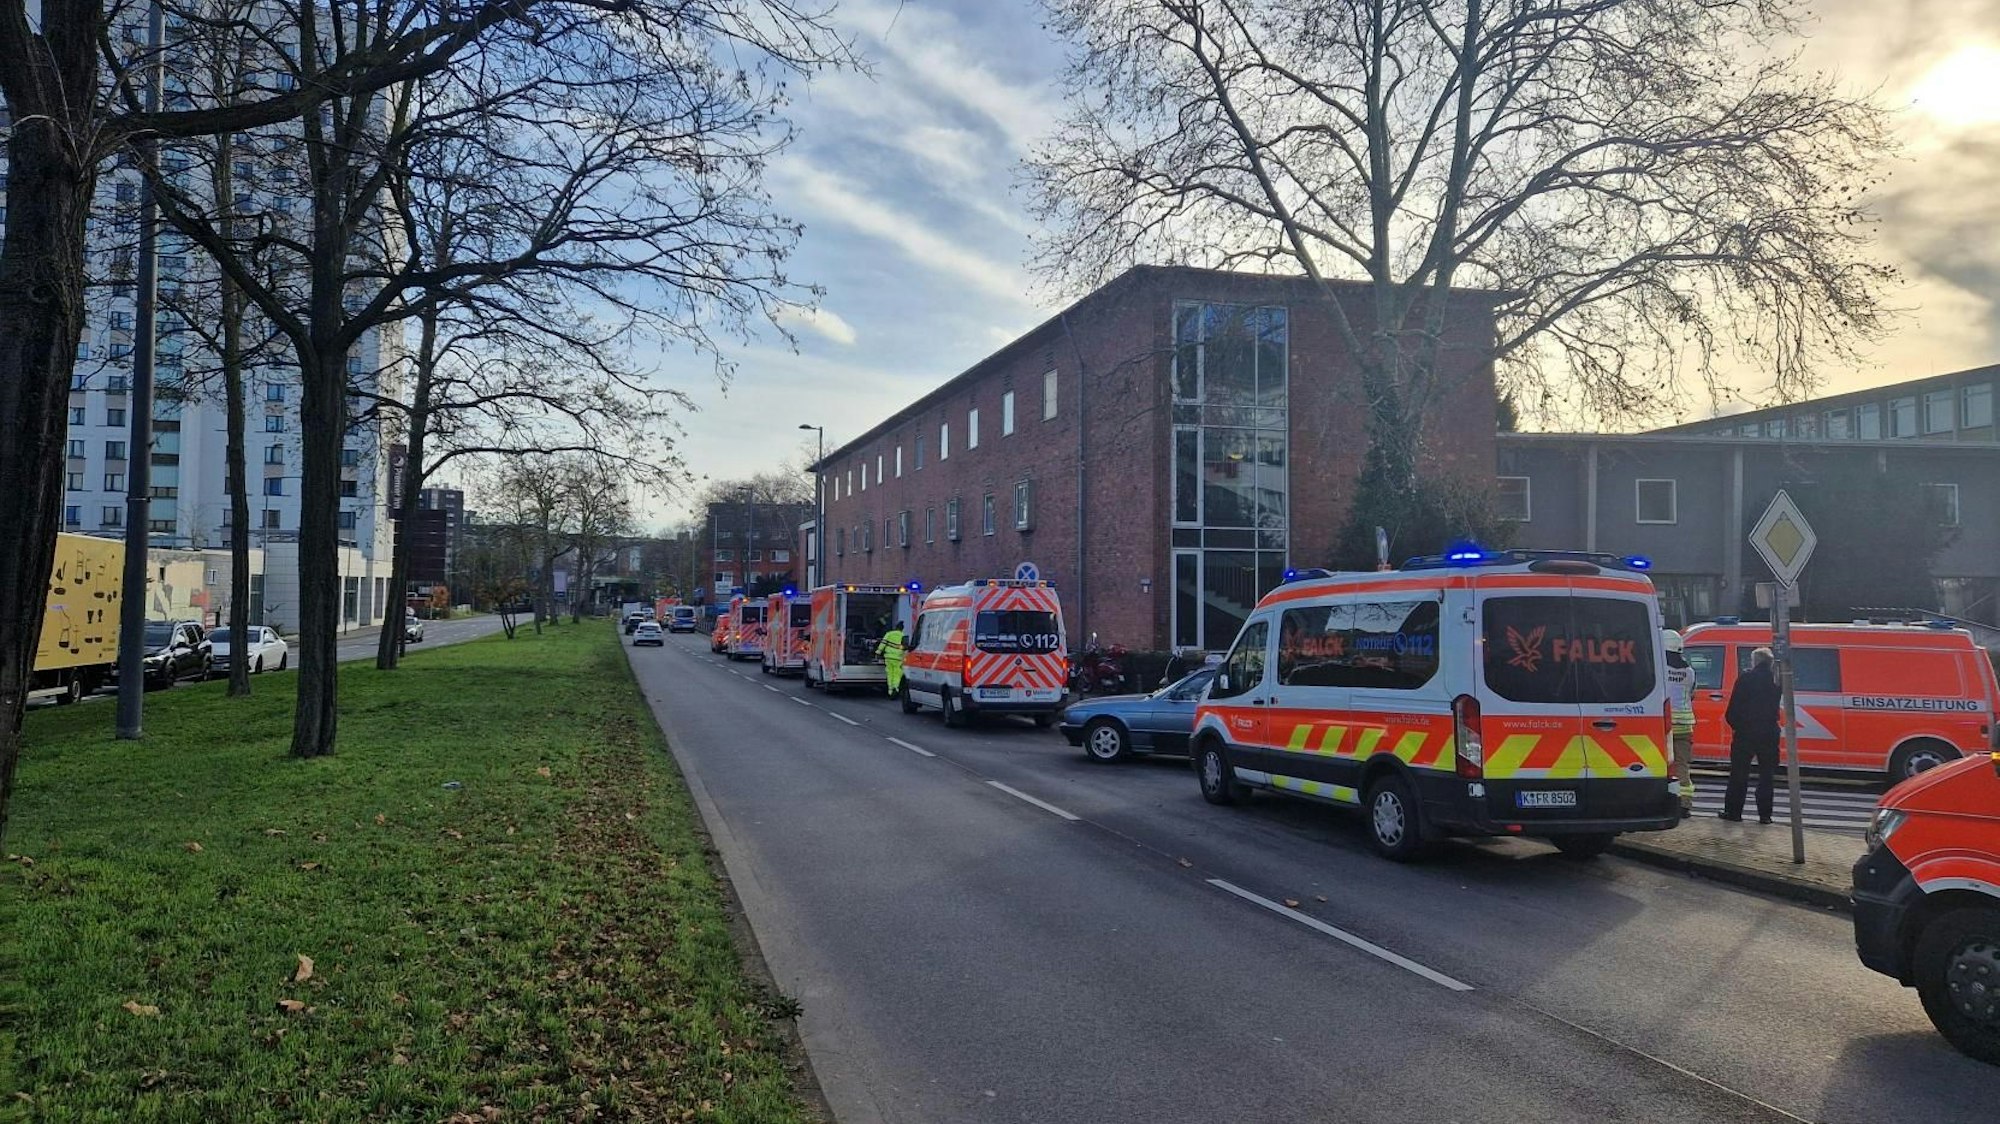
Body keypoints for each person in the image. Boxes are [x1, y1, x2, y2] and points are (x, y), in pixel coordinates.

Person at [1721, 646, 1782, 823]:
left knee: (1739, 774)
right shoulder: (1776, 681)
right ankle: (1765, 816)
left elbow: (1731, 711)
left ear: (1755, 661)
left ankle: (1734, 813)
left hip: (1745, 733)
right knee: (1766, 776)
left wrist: (1738, 727)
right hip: (1770, 733)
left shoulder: (1746, 678)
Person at [1662, 629, 1697, 818]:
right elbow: (1692, 694)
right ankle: (1684, 805)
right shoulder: (1689, 671)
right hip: (1685, 725)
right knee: (1682, 765)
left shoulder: (1660, 669)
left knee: (1662, 765)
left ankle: (1665, 801)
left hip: (1665, 726)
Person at [875, 623, 906, 697]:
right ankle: (896, 687)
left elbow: (883, 643)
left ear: (895, 627)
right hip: (898, 658)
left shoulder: (889, 634)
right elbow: (905, 647)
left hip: (889, 657)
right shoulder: (903, 636)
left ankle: (890, 690)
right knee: (897, 673)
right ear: (902, 629)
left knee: (889, 673)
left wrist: (878, 652)